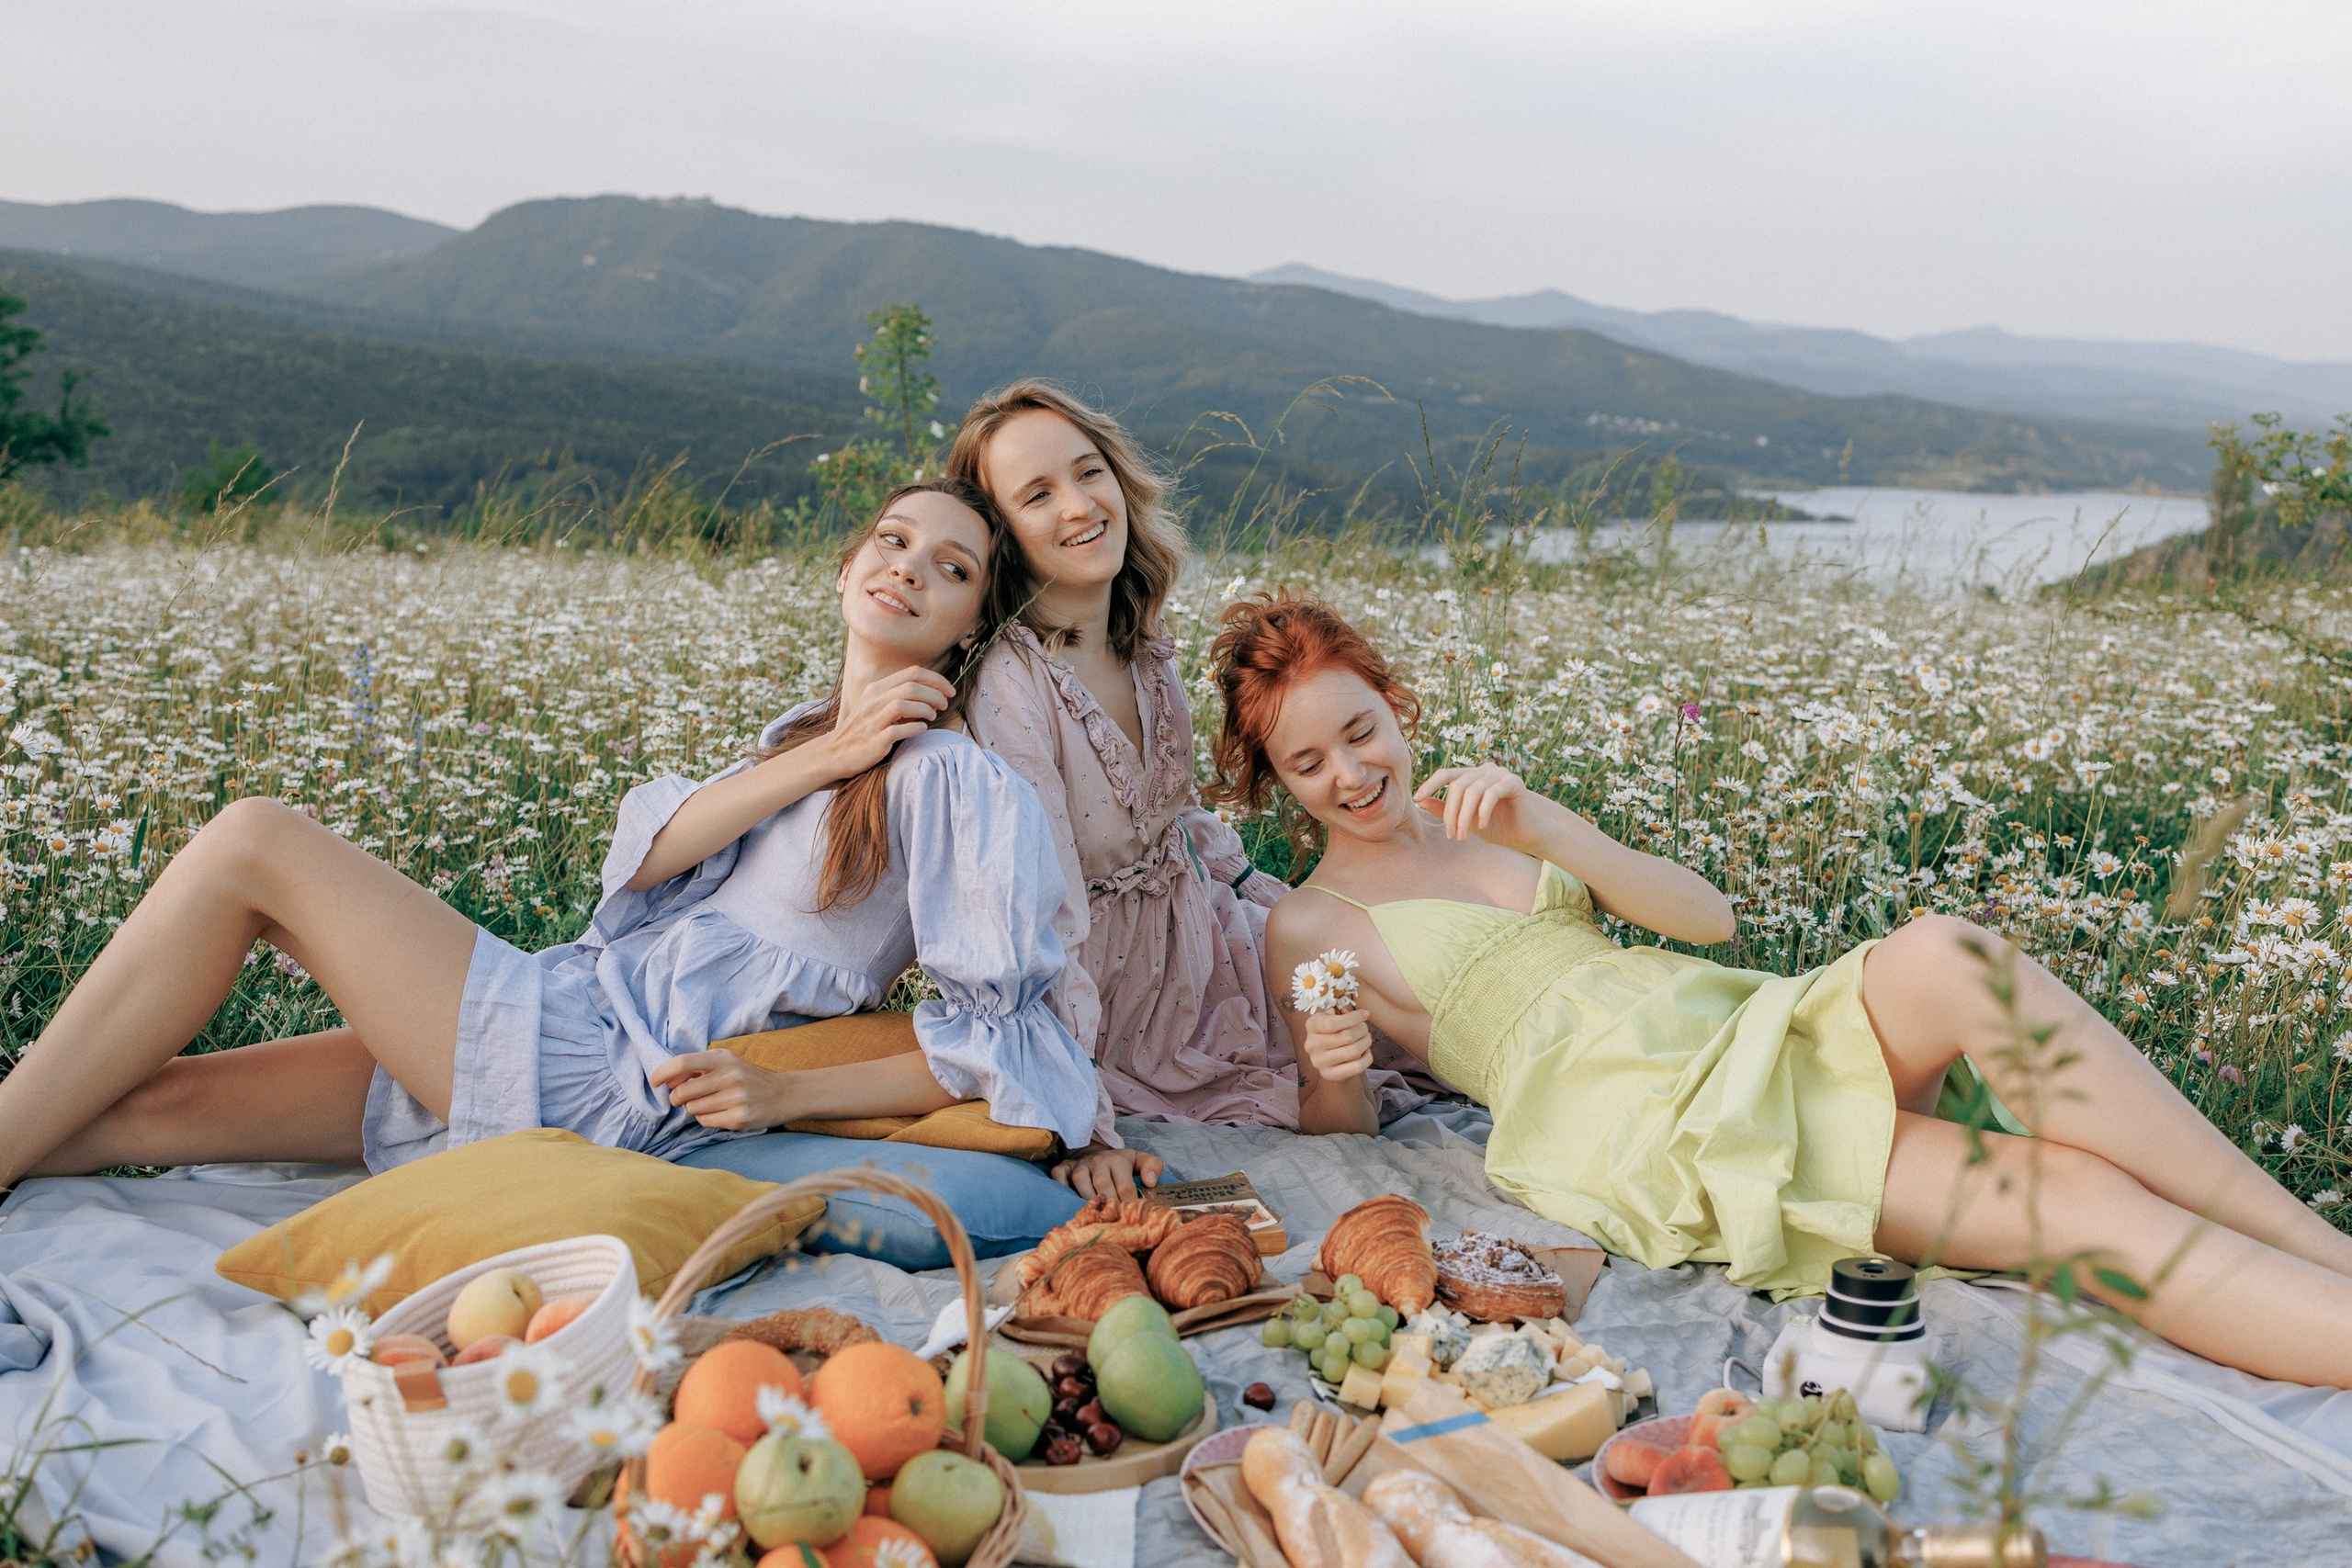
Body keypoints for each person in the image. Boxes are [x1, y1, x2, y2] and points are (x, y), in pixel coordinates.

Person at [1212, 588, 2352, 1387]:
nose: (1350, 776)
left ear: (1392, 705)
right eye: (1308, 765)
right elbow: (1341, 1129)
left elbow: (1710, 922)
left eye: (1359, 733)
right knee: (2075, 1199)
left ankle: (2317, 1246)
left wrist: (1549, 825)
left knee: (1955, 955)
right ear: (1276, 782)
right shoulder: (1313, 919)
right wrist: (1333, 1070)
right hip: (1632, 1111)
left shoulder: (1488, 811)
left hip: (1725, 1023)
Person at [0, 479, 1100, 1190]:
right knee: (141, 1103)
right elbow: (643, 862)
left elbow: (1011, 1040)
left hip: (604, 1079)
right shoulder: (802, 743)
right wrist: (821, 756)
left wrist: (790, 1094)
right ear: (845, 569)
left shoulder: (955, 783)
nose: (908, 564)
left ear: (968, 632)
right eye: (892, 538)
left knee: (254, 841)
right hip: (568, 1002)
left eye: (951, 569)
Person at [945, 382, 1427, 1200]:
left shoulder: (1142, 641)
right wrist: (1085, 1124)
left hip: (1204, 934)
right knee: (1326, 1063)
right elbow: (1043, 906)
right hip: (1113, 996)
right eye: (1037, 494)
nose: (1078, 505)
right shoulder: (1010, 687)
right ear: (1001, 536)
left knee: (1401, 1005)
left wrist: (1264, 899)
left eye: (1088, 472)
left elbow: (1177, 817)